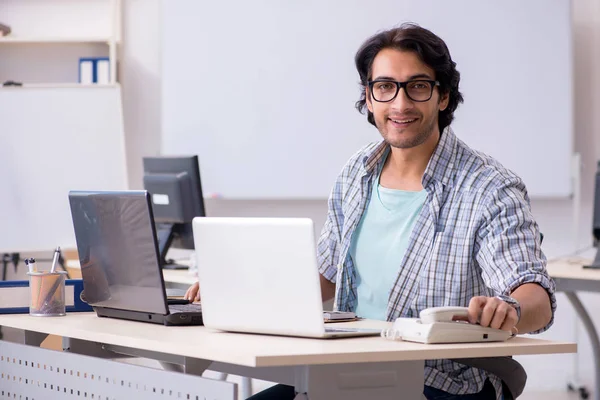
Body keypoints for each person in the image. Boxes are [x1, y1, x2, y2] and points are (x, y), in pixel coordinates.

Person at [185, 23, 556, 400]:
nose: (400, 104)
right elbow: (324, 278)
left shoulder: (490, 187)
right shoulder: (356, 173)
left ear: (443, 97)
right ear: (369, 96)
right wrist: (237, 292)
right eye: (385, 87)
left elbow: (536, 297)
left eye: (418, 86)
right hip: (346, 370)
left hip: (443, 380)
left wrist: (507, 309)